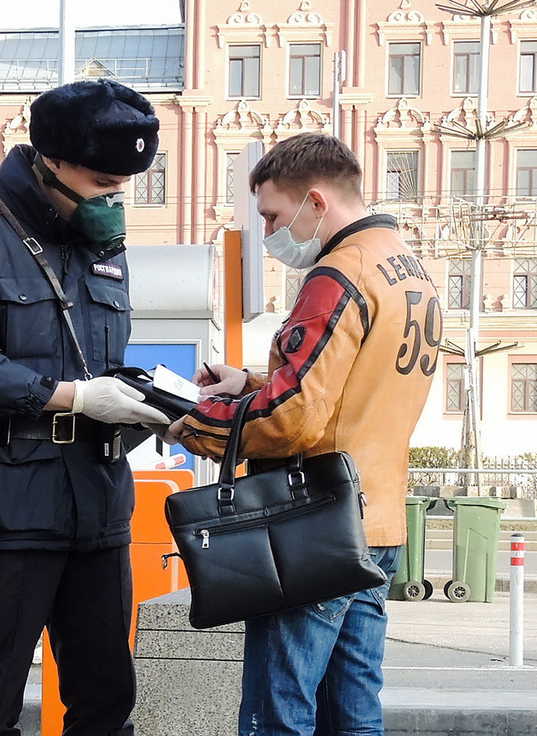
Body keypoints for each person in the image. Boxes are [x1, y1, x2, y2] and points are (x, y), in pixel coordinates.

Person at [0, 79, 172, 736]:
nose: (113, 196)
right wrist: (72, 397)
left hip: (100, 502)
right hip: (6, 506)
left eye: (123, 184)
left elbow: (98, 362)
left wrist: (151, 397)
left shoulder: (100, 242)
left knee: (106, 702)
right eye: (103, 180)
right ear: (52, 158)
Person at [165, 133, 440, 736]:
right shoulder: (405, 266)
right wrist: (249, 381)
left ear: (315, 202)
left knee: (276, 716)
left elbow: (295, 418)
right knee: (354, 714)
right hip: (379, 521)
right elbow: (352, 381)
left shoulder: (336, 276)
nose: (267, 233)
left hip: (316, 526)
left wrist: (194, 422)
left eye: (272, 214)